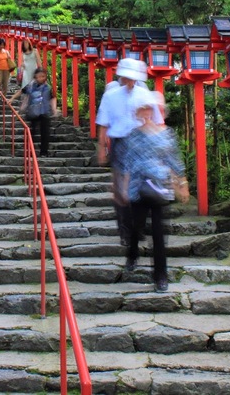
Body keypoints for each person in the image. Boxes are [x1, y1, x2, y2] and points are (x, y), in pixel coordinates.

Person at [121, 91, 189, 292]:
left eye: (152, 108)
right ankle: (133, 254)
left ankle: (161, 276)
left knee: (159, 234)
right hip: (138, 187)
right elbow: (128, 162)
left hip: (160, 186)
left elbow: (173, 160)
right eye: (145, 108)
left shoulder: (166, 135)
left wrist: (182, 183)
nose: (149, 112)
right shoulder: (133, 135)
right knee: (136, 226)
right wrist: (124, 187)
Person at [95, 58, 164, 246]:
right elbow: (103, 123)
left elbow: (157, 123)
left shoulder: (145, 95)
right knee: (121, 189)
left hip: (142, 143)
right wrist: (102, 147)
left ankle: (138, 227)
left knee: (141, 187)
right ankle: (125, 231)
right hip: (120, 142)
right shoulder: (111, 95)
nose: (131, 81)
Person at [11, 67, 57, 157]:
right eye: (39, 76)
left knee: (45, 133)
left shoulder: (48, 87)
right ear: (35, 77)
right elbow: (22, 91)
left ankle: (44, 152)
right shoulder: (31, 86)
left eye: (43, 76)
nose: (41, 78)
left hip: (44, 112)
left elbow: (53, 97)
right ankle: (29, 151)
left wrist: (54, 109)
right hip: (33, 112)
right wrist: (12, 98)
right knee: (32, 132)